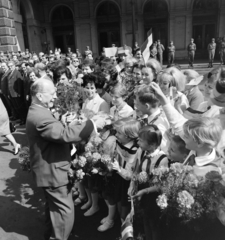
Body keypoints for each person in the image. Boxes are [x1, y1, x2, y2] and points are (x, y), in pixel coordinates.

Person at [26, 77, 102, 240]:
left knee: (53, 209)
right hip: (53, 172)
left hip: (49, 169)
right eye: (52, 93)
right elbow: (64, 134)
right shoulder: (40, 116)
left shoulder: (38, 110)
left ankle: (52, 234)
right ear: (40, 96)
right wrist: (90, 123)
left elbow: (57, 130)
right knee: (64, 212)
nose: (55, 97)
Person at [131, 125, 169, 240]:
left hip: (153, 196)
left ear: (152, 144)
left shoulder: (162, 160)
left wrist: (144, 191)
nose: (138, 142)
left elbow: (160, 185)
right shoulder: (143, 152)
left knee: (154, 224)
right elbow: (137, 170)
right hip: (143, 192)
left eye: (141, 141)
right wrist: (134, 184)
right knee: (145, 219)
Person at [112, 118, 140, 223]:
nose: (116, 135)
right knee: (118, 202)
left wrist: (118, 168)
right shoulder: (120, 142)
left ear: (129, 136)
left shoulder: (133, 149)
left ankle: (126, 231)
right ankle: (121, 224)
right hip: (118, 176)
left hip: (127, 182)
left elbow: (129, 175)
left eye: (119, 133)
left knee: (125, 208)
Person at [7, 61, 26, 125]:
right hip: (12, 94)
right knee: (16, 107)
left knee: (20, 107)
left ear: (14, 66)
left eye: (11, 66)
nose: (10, 67)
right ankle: (21, 118)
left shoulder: (17, 73)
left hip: (17, 94)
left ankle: (24, 119)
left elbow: (19, 83)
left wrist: (19, 93)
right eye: (9, 66)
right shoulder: (10, 73)